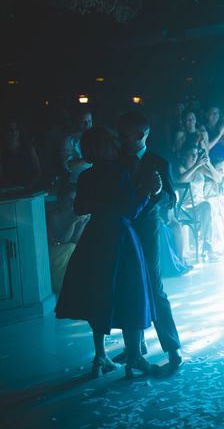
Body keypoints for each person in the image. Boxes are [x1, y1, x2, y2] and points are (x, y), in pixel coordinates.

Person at [55, 127, 158, 378]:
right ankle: (134, 355)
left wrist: (98, 206)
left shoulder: (86, 177)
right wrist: (148, 192)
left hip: (95, 237)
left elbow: (79, 208)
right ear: (106, 147)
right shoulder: (119, 172)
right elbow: (129, 211)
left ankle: (100, 356)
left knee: (98, 293)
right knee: (131, 293)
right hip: (121, 237)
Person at [116, 110, 183, 370]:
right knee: (127, 286)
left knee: (155, 286)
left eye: (125, 135)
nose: (121, 140)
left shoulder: (158, 161)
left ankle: (172, 346)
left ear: (141, 135)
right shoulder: (117, 160)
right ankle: (134, 347)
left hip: (147, 229)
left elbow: (170, 198)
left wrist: (154, 194)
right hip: (121, 229)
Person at [0, 119, 42, 191]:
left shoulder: (28, 148)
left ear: (19, 132)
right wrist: (11, 189)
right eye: (10, 130)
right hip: (9, 192)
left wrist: (29, 187)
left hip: (30, 191)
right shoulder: (2, 152)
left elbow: (38, 171)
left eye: (15, 129)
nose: (13, 132)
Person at [60, 107, 93, 186]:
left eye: (89, 121)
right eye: (83, 122)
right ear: (77, 123)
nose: (87, 124)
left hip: (97, 180)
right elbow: (69, 166)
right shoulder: (69, 140)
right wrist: (88, 158)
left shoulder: (98, 136)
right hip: (77, 182)